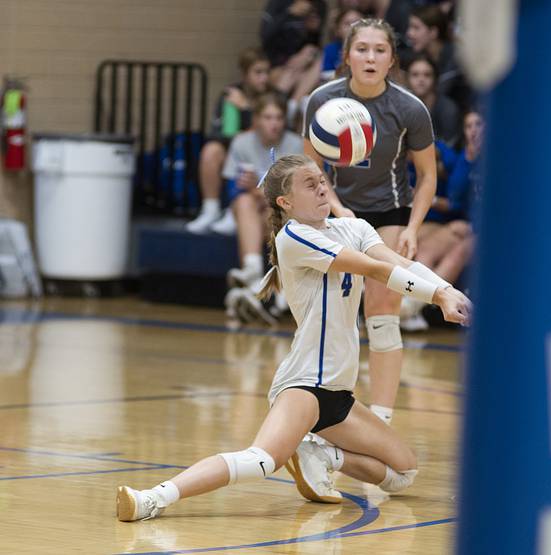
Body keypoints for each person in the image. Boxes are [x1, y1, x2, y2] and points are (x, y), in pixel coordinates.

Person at [115, 154, 471, 522]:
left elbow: (398, 263)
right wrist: (437, 296)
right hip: (304, 385)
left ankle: (323, 455)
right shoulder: (294, 237)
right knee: (263, 460)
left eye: (321, 180)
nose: (321, 188)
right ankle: (153, 498)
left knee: (403, 472)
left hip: (338, 390)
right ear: (285, 203)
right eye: (309, 184)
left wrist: (448, 289)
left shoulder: (355, 228)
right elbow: (375, 270)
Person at [302, 18, 437, 425]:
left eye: (380, 50)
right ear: (346, 57)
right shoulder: (322, 101)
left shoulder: (410, 109)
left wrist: (413, 228)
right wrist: (339, 211)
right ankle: (326, 413)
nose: (370, 57)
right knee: (332, 314)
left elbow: (427, 175)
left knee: (381, 309)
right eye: (362, 49)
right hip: (334, 210)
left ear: (392, 59)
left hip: (388, 213)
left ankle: (381, 419)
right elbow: (311, 167)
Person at [219, 93, 303, 317]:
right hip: (252, 211)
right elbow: (232, 189)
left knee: (275, 208)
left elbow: (294, 197)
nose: (274, 123)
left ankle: (257, 286)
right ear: (255, 120)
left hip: (283, 215)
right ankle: (253, 271)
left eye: (278, 118)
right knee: (244, 201)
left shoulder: (295, 144)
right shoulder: (242, 143)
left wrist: (258, 191)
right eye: (267, 117)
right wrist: (255, 192)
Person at [401, 109, 483, 331]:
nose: (474, 131)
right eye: (469, 126)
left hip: (483, 229)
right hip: (461, 224)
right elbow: (458, 196)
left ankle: (411, 307)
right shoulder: (465, 159)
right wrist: (469, 159)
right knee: (425, 249)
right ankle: (404, 304)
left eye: (479, 125)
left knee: (460, 251)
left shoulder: (498, 160)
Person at [186, 48, 272, 234]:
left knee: (244, 147)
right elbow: (222, 135)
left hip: (264, 154)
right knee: (211, 150)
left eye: (266, 72)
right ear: (244, 74)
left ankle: (234, 212)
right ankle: (210, 209)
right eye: (258, 72)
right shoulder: (231, 95)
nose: (264, 78)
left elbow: (269, 132)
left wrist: (246, 108)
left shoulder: (271, 96)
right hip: (235, 149)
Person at [405, 4, 471, 111]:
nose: (409, 33)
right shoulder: (424, 57)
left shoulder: (455, 57)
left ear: (433, 32)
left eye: (416, 28)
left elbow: (438, 92)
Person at [406, 52, 461, 146]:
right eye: (415, 75)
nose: (421, 79)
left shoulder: (448, 109)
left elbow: (451, 150)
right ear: (407, 79)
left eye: (427, 75)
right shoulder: (402, 107)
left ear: (435, 79)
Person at [321, 8, 364, 81]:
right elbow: (325, 73)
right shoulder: (331, 49)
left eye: (357, 23)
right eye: (347, 24)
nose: (352, 27)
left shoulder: (371, 50)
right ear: (338, 30)